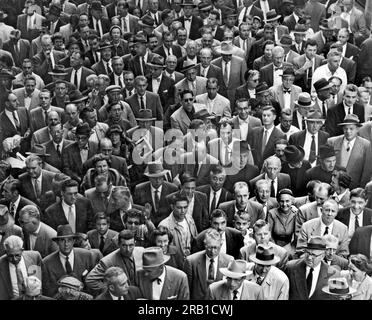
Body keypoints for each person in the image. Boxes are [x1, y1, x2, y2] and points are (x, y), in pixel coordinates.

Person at [41, 224, 94, 298]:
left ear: (74, 241)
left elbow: (93, 286)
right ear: (57, 242)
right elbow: (48, 292)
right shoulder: (46, 263)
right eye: (62, 240)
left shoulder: (87, 256)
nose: (66, 244)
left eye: (69, 240)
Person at [85, 230, 144, 294]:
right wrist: (112, 290)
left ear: (135, 243)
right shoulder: (108, 261)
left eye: (131, 245)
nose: (128, 249)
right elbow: (90, 280)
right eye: (124, 245)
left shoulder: (141, 252)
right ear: (118, 244)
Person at [184, 228, 234, 300]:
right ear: (204, 245)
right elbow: (186, 290)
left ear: (221, 245)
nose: (212, 251)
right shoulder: (191, 261)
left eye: (215, 248)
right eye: (209, 247)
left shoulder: (229, 261)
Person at [284, 236, 339, 300]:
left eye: (314, 255)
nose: (309, 258)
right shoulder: (290, 268)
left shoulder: (333, 274)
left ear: (322, 256)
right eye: (308, 253)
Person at [327, 114, 372, 189]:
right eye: (345, 128)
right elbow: (326, 167)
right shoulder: (332, 142)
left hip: (354, 188)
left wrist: (360, 190)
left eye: (351, 129)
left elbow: (366, 172)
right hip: (334, 187)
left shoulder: (366, 145)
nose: (348, 131)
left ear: (357, 129)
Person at [133, 161, 178, 226]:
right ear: (149, 177)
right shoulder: (139, 189)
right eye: (154, 178)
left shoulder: (173, 189)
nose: (158, 180)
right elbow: (137, 210)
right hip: (147, 226)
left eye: (160, 177)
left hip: (167, 226)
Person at [0, 235, 42, 300]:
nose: (14, 259)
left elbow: (42, 280)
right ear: (6, 252)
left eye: (17, 255)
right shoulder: (1, 264)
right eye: (10, 256)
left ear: (22, 250)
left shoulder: (35, 257)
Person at [159, 192, 198, 260]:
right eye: (179, 208)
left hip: (190, 260)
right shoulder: (164, 225)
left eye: (185, 207)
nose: (183, 211)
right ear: (172, 207)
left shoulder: (190, 219)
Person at [267, 189, 298, 255]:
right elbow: (269, 235)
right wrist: (276, 250)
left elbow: (296, 236)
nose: (284, 204)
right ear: (278, 201)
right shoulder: (272, 213)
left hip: (290, 247)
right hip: (273, 246)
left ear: (292, 201)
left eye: (287, 201)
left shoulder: (296, 214)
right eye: (282, 201)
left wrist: (287, 250)